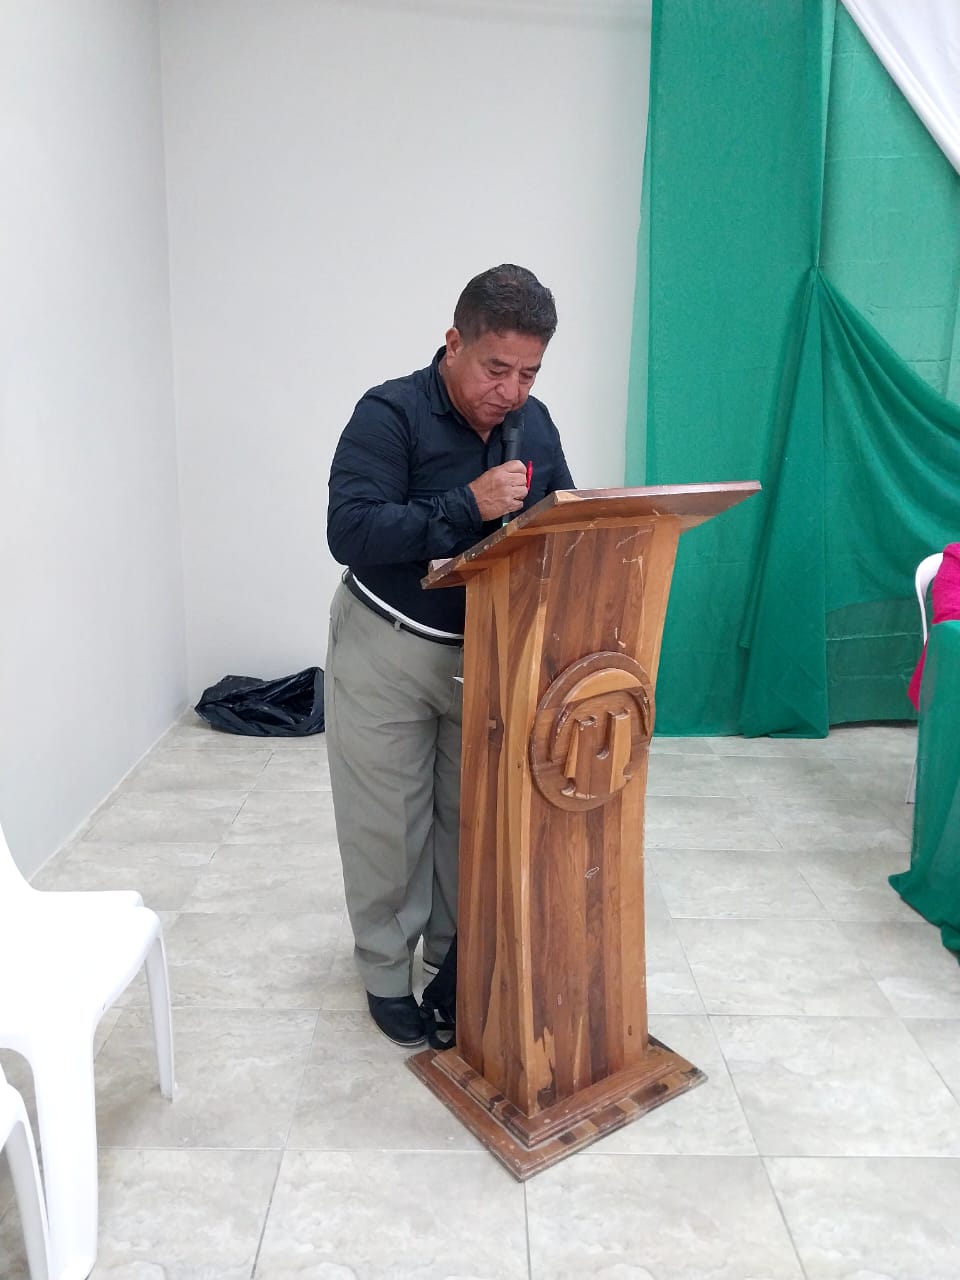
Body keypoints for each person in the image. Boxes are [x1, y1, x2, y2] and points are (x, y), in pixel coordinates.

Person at [325, 264, 573, 1045]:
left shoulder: (536, 426)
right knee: (388, 825)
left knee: (470, 821)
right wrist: (467, 505)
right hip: (388, 644)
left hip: (489, 654)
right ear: (454, 342)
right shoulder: (389, 413)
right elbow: (352, 531)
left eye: (529, 373)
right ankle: (383, 969)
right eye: (496, 368)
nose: (511, 391)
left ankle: (449, 963)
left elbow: (560, 520)